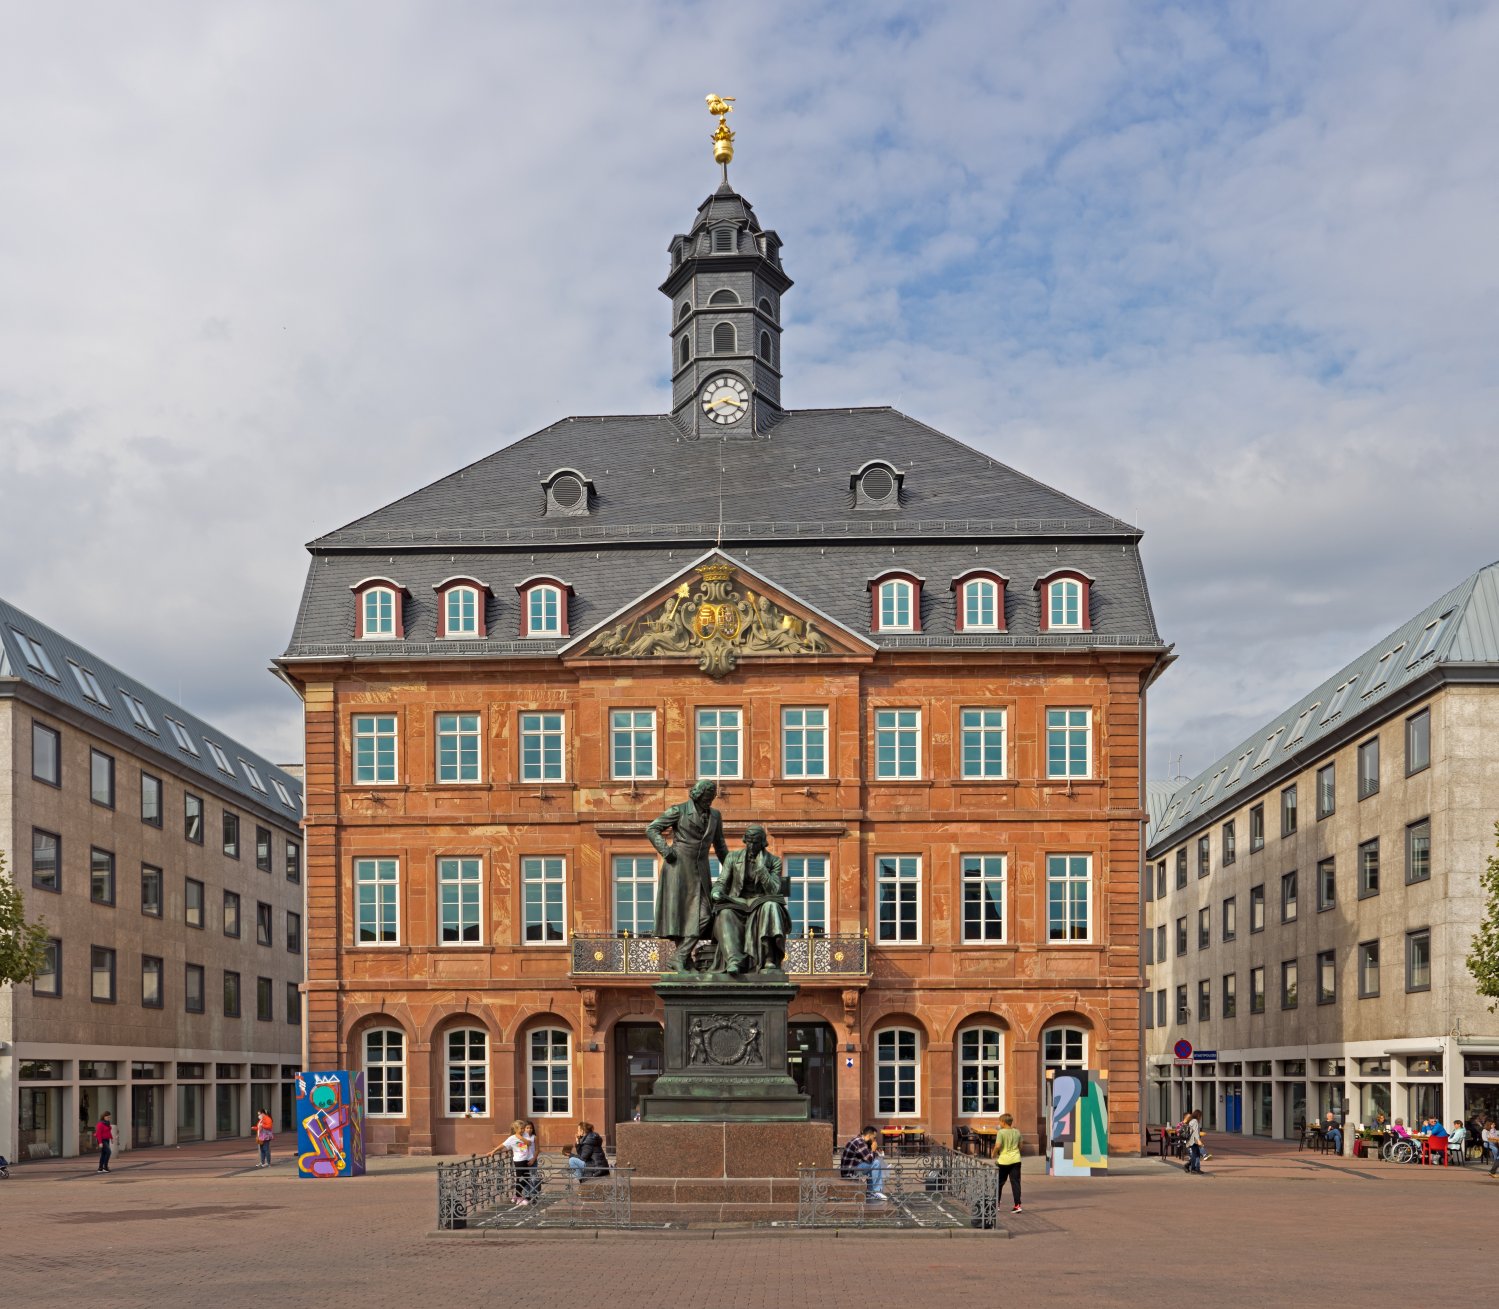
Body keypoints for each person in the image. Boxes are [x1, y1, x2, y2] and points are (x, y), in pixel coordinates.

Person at [646, 780, 729, 972]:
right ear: (698, 796)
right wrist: (666, 851)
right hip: (678, 869)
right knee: (679, 915)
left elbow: (720, 845)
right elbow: (652, 828)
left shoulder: (715, 816)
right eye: (707, 797)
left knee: (706, 915)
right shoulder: (679, 811)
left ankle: (680, 956)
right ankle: (685, 960)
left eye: (712, 797)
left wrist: (732, 868)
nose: (709, 801)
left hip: (701, 869)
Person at [709, 825, 791, 975]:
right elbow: (722, 882)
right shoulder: (733, 858)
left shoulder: (774, 861)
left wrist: (761, 868)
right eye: (749, 842)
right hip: (737, 903)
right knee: (725, 912)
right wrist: (716, 892)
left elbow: (773, 889)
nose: (752, 846)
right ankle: (734, 961)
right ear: (745, 841)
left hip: (761, 902)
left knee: (771, 906)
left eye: (756, 842)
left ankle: (768, 958)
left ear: (763, 843)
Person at [490, 1119, 538, 1206]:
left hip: (526, 1159)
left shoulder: (524, 1135)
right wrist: (494, 1151)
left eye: (524, 1128)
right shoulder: (511, 1138)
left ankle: (516, 1196)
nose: (523, 1130)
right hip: (519, 1161)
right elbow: (503, 1145)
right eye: (521, 1129)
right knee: (520, 1179)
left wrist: (519, 1137)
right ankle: (519, 1197)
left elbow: (528, 1143)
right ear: (516, 1129)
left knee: (526, 1178)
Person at [839, 1126, 888, 1201]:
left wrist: (876, 1152)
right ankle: (875, 1192)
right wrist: (873, 1150)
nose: (875, 1140)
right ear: (869, 1135)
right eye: (874, 1137)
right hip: (850, 1172)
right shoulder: (859, 1143)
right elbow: (870, 1160)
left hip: (850, 1170)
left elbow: (866, 1157)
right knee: (876, 1163)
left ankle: (871, 1192)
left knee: (874, 1163)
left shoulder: (859, 1140)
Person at [991, 1112, 1023, 1214]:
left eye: (1000, 1121)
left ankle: (997, 1205)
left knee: (999, 1183)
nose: (999, 1123)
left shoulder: (1001, 1132)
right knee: (1016, 1183)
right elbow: (1020, 1145)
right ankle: (1017, 1205)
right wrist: (1015, 1152)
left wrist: (993, 1154)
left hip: (1004, 1161)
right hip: (1016, 1160)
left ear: (1003, 1122)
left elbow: (997, 1145)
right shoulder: (1017, 1132)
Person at [1184, 1109, 1205, 1175]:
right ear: (1198, 1115)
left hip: (1191, 1140)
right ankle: (1193, 1169)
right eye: (1200, 1116)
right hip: (1193, 1141)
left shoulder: (1191, 1121)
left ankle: (1192, 1167)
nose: (1200, 1117)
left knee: (1197, 1154)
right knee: (1195, 1154)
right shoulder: (1195, 1121)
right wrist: (1199, 1141)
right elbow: (1195, 1132)